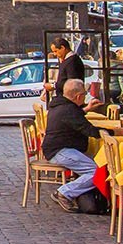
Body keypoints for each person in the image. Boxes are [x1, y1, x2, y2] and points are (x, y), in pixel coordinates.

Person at [42, 78, 102, 214]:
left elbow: (74, 119)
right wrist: (115, 132)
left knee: (93, 167)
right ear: (78, 96)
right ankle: (64, 192)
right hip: (60, 150)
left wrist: (86, 109)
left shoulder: (60, 105)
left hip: (58, 148)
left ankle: (75, 193)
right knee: (95, 172)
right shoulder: (68, 109)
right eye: (84, 95)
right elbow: (90, 130)